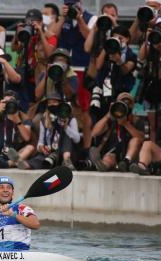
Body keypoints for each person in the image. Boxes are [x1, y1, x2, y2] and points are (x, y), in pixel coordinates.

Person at [52, 0, 98, 150]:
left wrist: (79, 18)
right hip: (62, 67)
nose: (71, 7)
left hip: (81, 67)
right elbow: (53, 35)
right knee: (60, 105)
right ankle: (59, 147)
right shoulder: (62, 18)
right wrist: (62, 17)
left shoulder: (91, 18)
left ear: (80, 3)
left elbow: (89, 40)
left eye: (73, 4)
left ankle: (86, 148)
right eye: (68, 4)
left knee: (83, 109)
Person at [85, 26, 136, 123]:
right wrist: (107, 47)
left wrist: (118, 60)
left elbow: (126, 70)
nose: (118, 41)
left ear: (127, 39)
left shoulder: (130, 54)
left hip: (120, 92)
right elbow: (98, 66)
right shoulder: (105, 52)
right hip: (103, 92)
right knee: (98, 119)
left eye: (121, 38)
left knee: (117, 120)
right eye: (115, 38)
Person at [11, 9, 57, 113]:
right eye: (29, 21)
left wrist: (40, 32)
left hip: (40, 76)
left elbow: (49, 54)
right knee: (24, 106)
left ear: (41, 22)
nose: (31, 24)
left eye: (34, 21)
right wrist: (18, 34)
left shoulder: (50, 36)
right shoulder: (27, 33)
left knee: (36, 106)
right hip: (27, 74)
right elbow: (15, 49)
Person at [19, 92, 80, 170]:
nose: (52, 105)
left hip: (66, 154)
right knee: (39, 160)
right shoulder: (44, 120)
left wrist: (65, 127)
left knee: (67, 134)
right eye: (49, 103)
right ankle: (23, 163)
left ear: (61, 104)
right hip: (50, 154)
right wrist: (42, 147)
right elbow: (40, 142)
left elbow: (77, 139)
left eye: (55, 102)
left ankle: (66, 160)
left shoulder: (70, 119)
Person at [90, 92, 144, 172]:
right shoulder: (112, 120)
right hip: (115, 153)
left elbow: (141, 138)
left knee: (135, 140)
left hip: (131, 155)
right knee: (109, 157)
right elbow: (94, 133)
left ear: (132, 106)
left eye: (128, 103)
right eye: (122, 103)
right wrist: (108, 115)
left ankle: (126, 162)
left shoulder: (136, 120)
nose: (125, 106)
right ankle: (102, 165)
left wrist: (126, 124)